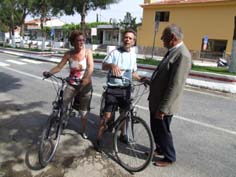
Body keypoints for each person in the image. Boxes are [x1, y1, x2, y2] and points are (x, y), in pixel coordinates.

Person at [148, 24, 192, 167]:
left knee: (163, 131)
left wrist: (163, 109)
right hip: (156, 101)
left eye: (164, 36)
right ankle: (160, 149)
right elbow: (164, 75)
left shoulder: (183, 55)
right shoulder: (173, 51)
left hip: (164, 104)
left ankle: (169, 157)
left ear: (173, 38)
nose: (161, 38)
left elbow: (175, 85)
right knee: (156, 128)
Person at [95, 29, 145, 151]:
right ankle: (98, 138)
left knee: (125, 113)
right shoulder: (114, 52)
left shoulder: (133, 55)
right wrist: (112, 65)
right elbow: (103, 66)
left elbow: (133, 73)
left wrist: (142, 79)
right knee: (106, 115)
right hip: (113, 88)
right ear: (123, 39)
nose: (127, 40)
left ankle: (122, 134)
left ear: (134, 41)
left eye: (130, 38)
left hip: (126, 89)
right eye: (126, 37)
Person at [43, 30, 94, 139]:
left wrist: (85, 79)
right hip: (72, 84)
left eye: (82, 40)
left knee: (83, 111)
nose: (81, 42)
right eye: (78, 40)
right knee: (63, 104)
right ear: (73, 42)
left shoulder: (87, 52)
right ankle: (61, 121)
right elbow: (59, 67)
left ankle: (84, 130)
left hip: (85, 85)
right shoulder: (69, 54)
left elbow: (90, 67)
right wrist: (49, 72)